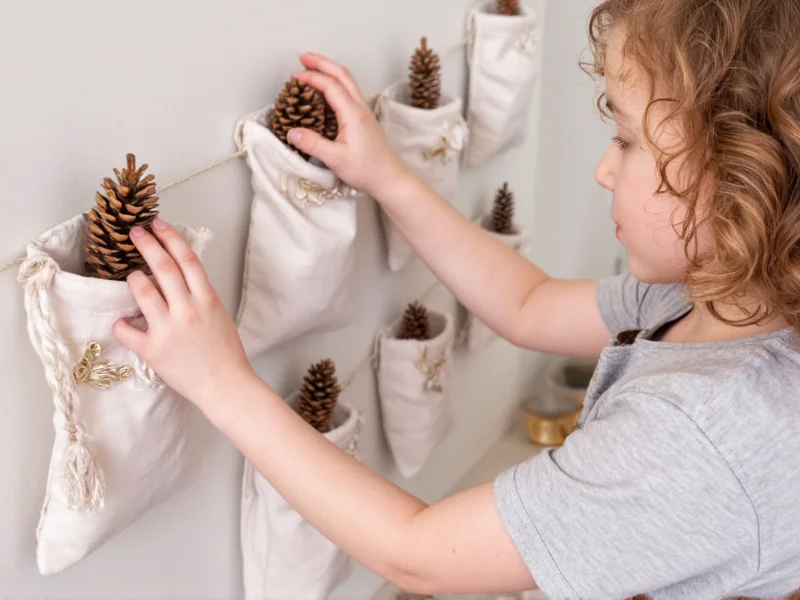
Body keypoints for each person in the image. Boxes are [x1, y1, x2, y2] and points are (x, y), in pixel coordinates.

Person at [112, 0, 800, 597]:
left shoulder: (705, 434)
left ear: (747, 175)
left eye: (626, 140)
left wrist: (223, 385)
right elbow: (527, 304)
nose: (603, 167)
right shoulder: (714, 297)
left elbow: (416, 554)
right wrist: (390, 178)